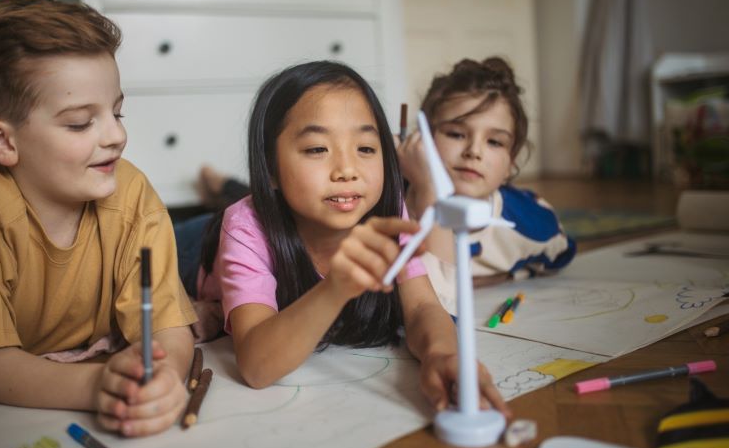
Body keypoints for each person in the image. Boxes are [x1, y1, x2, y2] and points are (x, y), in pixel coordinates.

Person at [0, 0, 197, 437]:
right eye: (79, 123)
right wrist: (96, 385)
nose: (117, 135)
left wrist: (165, 378)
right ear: (3, 141)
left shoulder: (131, 190)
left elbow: (168, 329)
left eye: (117, 112)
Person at [195, 60, 510, 415]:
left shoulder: (388, 209)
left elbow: (422, 306)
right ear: (269, 168)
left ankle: (220, 184)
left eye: (365, 148)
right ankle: (216, 185)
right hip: (203, 245)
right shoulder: (245, 227)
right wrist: (336, 287)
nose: (347, 170)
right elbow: (256, 367)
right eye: (318, 149)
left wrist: (442, 354)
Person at [397, 57, 576, 314]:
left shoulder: (529, 222)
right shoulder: (390, 208)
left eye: (494, 142)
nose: (474, 151)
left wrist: (509, 275)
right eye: (456, 134)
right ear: (420, 139)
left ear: (510, 165)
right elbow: (436, 311)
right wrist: (429, 189)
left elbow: (561, 254)